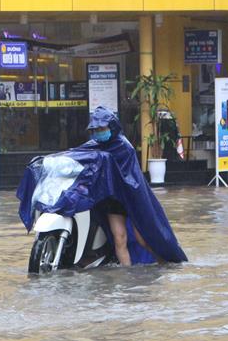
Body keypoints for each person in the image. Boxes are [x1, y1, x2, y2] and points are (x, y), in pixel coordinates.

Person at [81, 106, 188, 266]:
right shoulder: (94, 146)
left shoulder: (124, 147)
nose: (99, 132)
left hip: (131, 197)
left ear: (111, 127)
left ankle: (163, 264)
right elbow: (78, 154)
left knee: (143, 238)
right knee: (119, 239)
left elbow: (131, 177)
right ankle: (128, 274)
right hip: (113, 200)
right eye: (96, 130)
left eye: (102, 128)